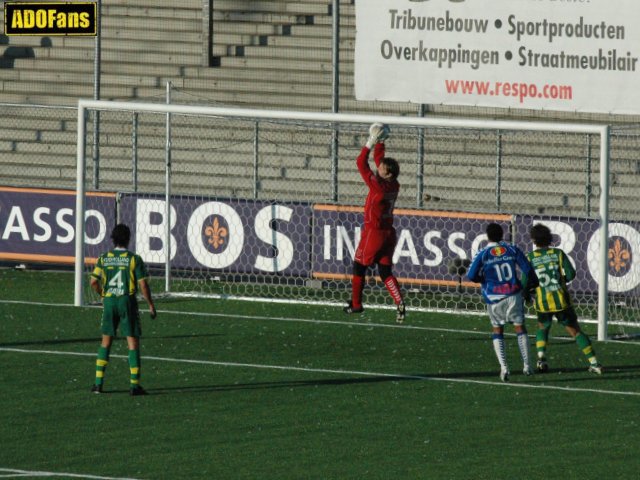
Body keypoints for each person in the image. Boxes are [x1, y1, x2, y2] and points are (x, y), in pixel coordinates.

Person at [343, 122, 406, 323]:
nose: (378, 166)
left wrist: (370, 142)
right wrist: (382, 141)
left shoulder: (378, 185)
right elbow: (381, 160)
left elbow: (361, 163)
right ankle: (399, 301)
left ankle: (356, 304)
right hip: (389, 233)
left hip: (374, 233)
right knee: (385, 271)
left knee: (359, 267)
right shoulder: (394, 184)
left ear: (386, 174)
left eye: (382, 168)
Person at [522, 223, 603, 375]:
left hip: (543, 303)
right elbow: (571, 274)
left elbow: (524, 283)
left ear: (533, 241)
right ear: (550, 238)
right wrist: (560, 280)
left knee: (542, 327)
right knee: (576, 332)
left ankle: (541, 359)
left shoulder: (530, 258)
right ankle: (594, 363)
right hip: (562, 301)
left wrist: (527, 296)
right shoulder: (558, 254)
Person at [90, 223, 157, 396]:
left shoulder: (104, 258)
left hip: (110, 301)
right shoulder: (134, 259)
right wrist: (150, 304)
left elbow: (93, 282)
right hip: (127, 301)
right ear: (128, 239)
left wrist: (103, 295)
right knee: (132, 343)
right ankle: (134, 386)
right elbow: (143, 284)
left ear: (113, 239)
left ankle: (98, 384)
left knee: (106, 342)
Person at [467, 223, 538, 381]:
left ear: (487, 236)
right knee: (520, 327)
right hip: (513, 294)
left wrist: (483, 280)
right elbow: (527, 269)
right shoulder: (512, 249)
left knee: (497, 330)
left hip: (493, 297)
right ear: (502, 234)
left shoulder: (483, 253)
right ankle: (527, 366)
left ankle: (504, 368)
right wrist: (533, 284)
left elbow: (471, 275)